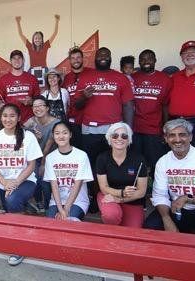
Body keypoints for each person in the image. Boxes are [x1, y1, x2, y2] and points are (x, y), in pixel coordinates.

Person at [75, 47, 134, 212]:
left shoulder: (120, 78)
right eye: (100, 55)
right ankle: (94, 198)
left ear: (110, 58)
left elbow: (128, 105)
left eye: (106, 55)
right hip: (90, 129)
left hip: (114, 130)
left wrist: (128, 131)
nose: (103, 57)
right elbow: (77, 105)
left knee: (114, 165)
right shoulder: (86, 77)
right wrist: (84, 97)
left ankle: (114, 197)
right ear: (95, 58)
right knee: (93, 166)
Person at [0, 104, 43, 266]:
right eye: (5, 116)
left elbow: (32, 165)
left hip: (25, 180)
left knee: (13, 200)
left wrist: (15, 182)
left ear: (18, 118)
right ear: (0, 117)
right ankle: (24, 218)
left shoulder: (27, 136)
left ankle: (20, 246)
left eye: (12, 116)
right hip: (4, 183)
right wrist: (5, 182)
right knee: (10, 210)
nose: (8, 119)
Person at [95, 122, 147, 227]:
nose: (119, 139)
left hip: (132, 199)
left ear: (129, 140)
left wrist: (120, 199)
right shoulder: (102, 158)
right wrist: (122, 192)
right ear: (109, 138)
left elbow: (141, 192)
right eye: (115, 135)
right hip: (108, 195)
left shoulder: (139, 159)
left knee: (133, 231)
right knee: (111, 215)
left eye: (124, 136)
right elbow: (104, 188)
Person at [131, 49, 172, 176]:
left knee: (155, 162)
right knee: (135, 162)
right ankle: (137, 190)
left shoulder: (165, 79)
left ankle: (155, 190)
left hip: (153, 129)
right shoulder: (132, 78)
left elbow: (165, 106)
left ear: (155, 60)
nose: (146, 61)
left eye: (149, 58)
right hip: (134, 129)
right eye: (142, 59)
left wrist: (166, 129)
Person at [44, 121, 93, 221]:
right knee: (51, 222)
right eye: (57, 133)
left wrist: (66, 209)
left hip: (77, 201)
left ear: (70, 134)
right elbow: (54, 185)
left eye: (65, 133)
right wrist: (60, 209)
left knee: (70, 221)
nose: (61, 136)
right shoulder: (50, 158)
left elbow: (78, 184)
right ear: (53, 136)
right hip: (57, 202)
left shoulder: (81, 155)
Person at [23, 96, 60, 211]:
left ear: (47, 108)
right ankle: (39, 201)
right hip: (34, 156)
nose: (37, 108)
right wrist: (33, 137)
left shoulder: (56, 123)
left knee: (44, 180)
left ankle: (50, 204)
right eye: (34, 106)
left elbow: (48, 147)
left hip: (50, 157)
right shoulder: (31, 121)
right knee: (35, 179)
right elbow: (21, 134)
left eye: (40, 106)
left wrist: (43, 164)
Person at [0, 50, 40, 123]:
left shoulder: (32, 78)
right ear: (10, 61)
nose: (17, 60)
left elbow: (38, 100)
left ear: (23, 60)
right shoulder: (2, 80)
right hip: (10, 121)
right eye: (14, 58)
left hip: (29, 120)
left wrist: (31, 101)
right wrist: (7, 112)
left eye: (19, 58)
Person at [62, 47, 92, 147]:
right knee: (76, 149)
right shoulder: (66, 78)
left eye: (78, 57)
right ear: (69, 60)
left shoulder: (91, 73)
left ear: (83, 59)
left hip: (89, 119)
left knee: (90, 150)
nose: (76, 60)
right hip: (73, 120)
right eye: (73, 58)